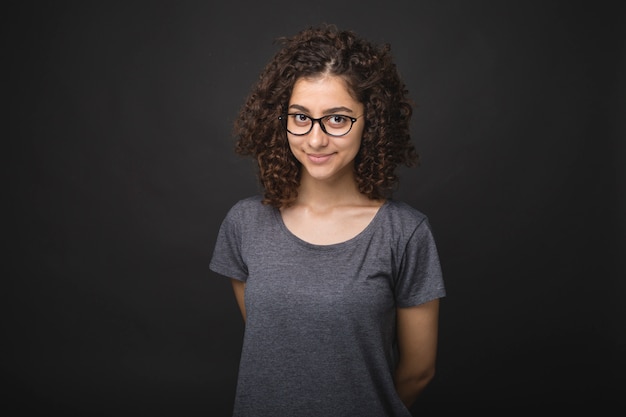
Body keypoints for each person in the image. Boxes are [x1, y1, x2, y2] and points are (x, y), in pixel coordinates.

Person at [210, 24, 446, 417]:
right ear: (279, 119)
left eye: (337, 120)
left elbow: (419, 371)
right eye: (300, 117)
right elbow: (274, 343)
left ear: (370, 122)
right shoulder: (244, 224)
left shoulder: (404, 233)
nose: (315, 139)